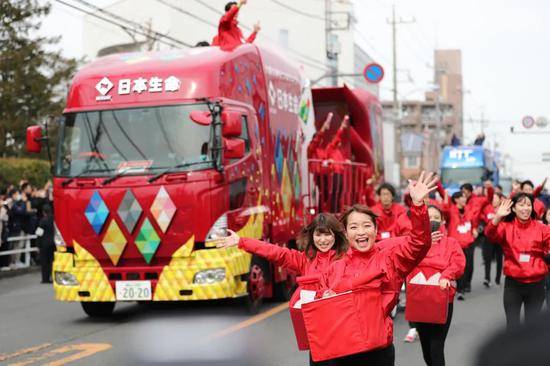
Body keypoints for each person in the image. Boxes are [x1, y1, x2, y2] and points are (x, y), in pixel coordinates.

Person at [318, 171, 437, 365]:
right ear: (346, 233)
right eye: (354, 227)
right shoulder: (335, 267)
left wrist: (418, 206)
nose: (361, 232)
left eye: (366, 226)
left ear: (375, 230)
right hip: (341, 351)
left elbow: (420, 243)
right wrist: (324, 297)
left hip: (378, 350)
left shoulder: (391, 258)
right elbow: (321, 304)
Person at [218, 213, 347, 366]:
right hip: (318, 337)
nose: (323, 240)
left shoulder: (347, 259)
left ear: (336, 236)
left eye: (328, 235)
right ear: (312, 236)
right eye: (319, 235)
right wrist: (241, 241)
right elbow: (275, 252)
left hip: (343, 333)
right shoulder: (305, 260)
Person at [407, 205, 465, 366]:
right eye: (428, 217)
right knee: (426, 348)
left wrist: (446, 275)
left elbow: (458, 263)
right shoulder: (413, 242)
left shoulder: (451, 243)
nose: (432, 220)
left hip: (442, 299)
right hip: (419, 299)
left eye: (436, 218)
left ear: (443, 221)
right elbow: (405, 261)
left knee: (436, 347)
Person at [484, 194, 550, 329]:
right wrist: (497, 217)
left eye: (528, 205)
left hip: (537, 284)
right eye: (521, 205)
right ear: (513, 208)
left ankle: (531, 350)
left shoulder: (542, 228)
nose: (525, 208)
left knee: (532, 326)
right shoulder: (505, 227)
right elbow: (490, 235)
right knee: (512, 325)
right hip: (513, 285)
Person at [481, 193, 504, 287]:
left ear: (499, 199)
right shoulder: (487, 208)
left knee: (499, 259)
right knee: (488, 258)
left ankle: (498, 278)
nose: (494, 200)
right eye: (493, 198)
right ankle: (487, 278)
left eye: (495, 198)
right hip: (489, 237)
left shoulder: (503, 209)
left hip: (499, 238)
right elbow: (481, 217)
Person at [36, 204, 55, 283]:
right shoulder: (55, 219)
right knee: (52, 261)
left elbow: (39, 233)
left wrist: (38, 245)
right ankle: (53, 277)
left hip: (44, 244)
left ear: (44, 212)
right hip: (53, 243)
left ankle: (45, 278)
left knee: (44, 262)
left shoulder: (43, 221)